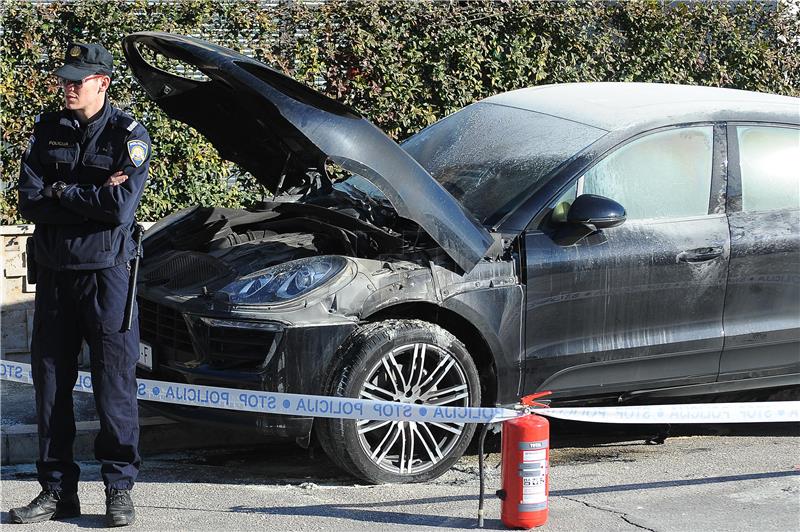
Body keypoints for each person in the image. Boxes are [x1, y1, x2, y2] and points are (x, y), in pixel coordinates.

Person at [10, 42, 150, 527]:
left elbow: (119, 209)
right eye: (65, 79)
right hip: (54, 276)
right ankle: (55, 492)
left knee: (115, 386)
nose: (68, 87)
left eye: (78, 80)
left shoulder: (128, 135)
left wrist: (62, 190)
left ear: (102, 83)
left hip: (109, 277)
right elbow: (30, 201)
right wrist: (85, 196)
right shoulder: (47, 131)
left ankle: (118, 490)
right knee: (50, 386)